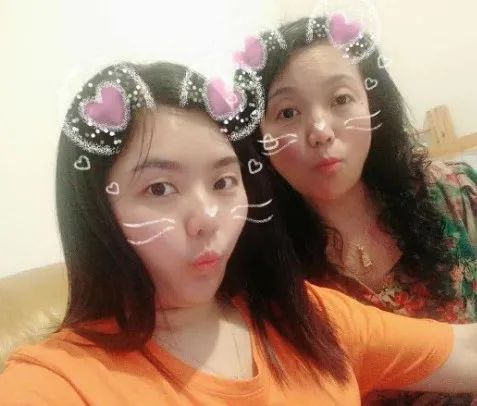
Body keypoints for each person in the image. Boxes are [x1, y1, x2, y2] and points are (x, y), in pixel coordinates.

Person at [0, 60, 477, 405]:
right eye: (160, 188)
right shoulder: (61, 381)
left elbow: (464, 349)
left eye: (223, 182)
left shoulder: (303, 316)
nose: (208, 217)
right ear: (96, 212)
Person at [247, 15, 477, 405]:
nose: (320, 131)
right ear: (259, 137)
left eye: (340, 99)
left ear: (373, 105)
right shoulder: (263, 271)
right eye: (287, 112)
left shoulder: (454, 193)